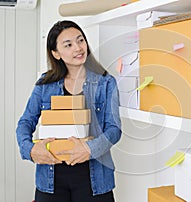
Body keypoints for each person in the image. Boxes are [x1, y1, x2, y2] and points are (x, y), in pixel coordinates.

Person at [16, 20, 122, 202]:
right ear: (56, 53)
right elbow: (25, 122)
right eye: (68, 45)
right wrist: (31, 150)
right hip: (50, 180)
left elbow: (114, 129)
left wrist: (89, 149)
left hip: (94, 181)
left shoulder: (106, 82)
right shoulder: (45, 85)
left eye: (80, 40)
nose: (78, 48)